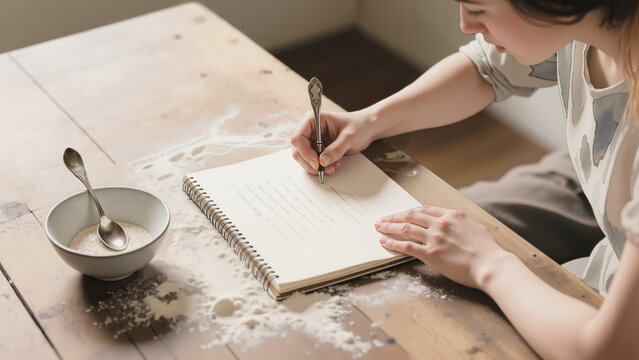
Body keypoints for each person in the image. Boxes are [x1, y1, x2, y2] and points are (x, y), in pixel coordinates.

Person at [290, 0, 639, 358]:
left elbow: (610, 349)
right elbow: (487, 69)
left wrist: (488, 264)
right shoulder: (589, 22)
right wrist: (370, 120)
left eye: (478, 9)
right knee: (430, 240)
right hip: (596, 191)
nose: (466, 26)